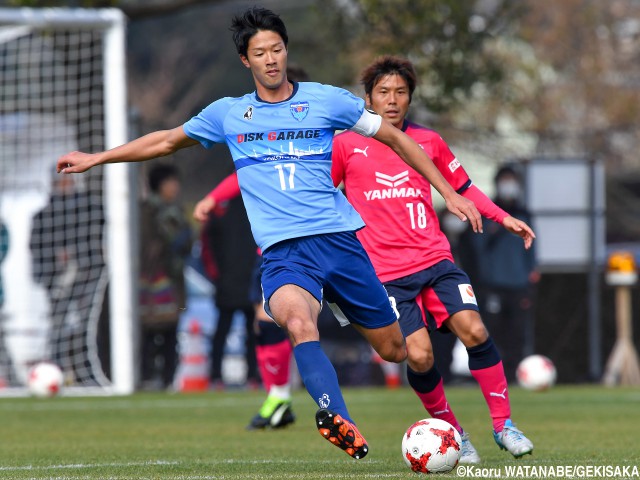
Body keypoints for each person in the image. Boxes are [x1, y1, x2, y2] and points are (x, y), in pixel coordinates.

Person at [57, 6, 482, 459]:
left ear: (285, 51)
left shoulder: (325, 100)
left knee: (396, 350)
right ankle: (335, 415)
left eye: (277, 49)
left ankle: (356, 334)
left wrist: (449, 193)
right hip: (283, 253)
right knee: (298, 323)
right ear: (247, 61)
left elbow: (397, 139)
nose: (271, 59)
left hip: (339, 244)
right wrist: (98, 158)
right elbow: (164, 140)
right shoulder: (228, 114)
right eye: (260, 53)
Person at [331, 55, 536, 461]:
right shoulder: (347, 145)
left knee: (474, 330)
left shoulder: (429, 141)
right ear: (368, 98)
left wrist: (504, 217)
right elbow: (321, 197)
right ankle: (455, 434)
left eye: (401, 92)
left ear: (410, 98)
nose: (392, 100)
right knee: (420, 356)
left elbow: (463, 188)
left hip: (435, 259)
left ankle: (504, 426)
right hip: (385, 274)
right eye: (383, 92)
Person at [195, 64, 311, 431]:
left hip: (317, 245)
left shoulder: (315, 134)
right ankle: (279, 399)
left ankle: (314, 399)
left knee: (392, 345)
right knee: (268, 322)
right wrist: (213, 198)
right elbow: (244, 172)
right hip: (273, 251)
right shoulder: (259, 132)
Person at [458, 165, 538, 382]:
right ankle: (491, 376)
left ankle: (515, 376)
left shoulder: (524, 214)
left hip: (519, 284)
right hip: (492, 285)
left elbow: (531, 250)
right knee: (491, 331)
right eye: (505, 180)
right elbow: (475, 249)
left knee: (517, 333)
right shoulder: (487, 214)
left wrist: (531, 273)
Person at [29, 174, 106, 384]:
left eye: (70, 181)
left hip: (86, 276)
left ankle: (85, 373)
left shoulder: (90, 209)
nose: (67, 185)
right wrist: (55, 259)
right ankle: (57, 371)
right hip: (58, 280)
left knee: (86, 326)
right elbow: (36, 248)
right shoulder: (43, 216)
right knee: (59, 327)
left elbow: (98, 236)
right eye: (63, 181)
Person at [139, 164, 193, 390]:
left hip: (171, 281)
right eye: (170, 182)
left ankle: (168, 379)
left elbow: (187, 244)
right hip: (149, 282)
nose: (175, 186)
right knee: (148, 331)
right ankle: (146, 376)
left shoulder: (177, 212)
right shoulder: (145, 211)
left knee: (171, 332)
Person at [200, 193, 260, 391]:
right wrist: (216, 275)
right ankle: (217, 376)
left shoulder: (257, 205)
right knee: (226, 331)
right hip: (231, 282)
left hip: (246, 280)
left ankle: (252, 376)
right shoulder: (219, 208)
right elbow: (207, 246)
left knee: (251, 331)